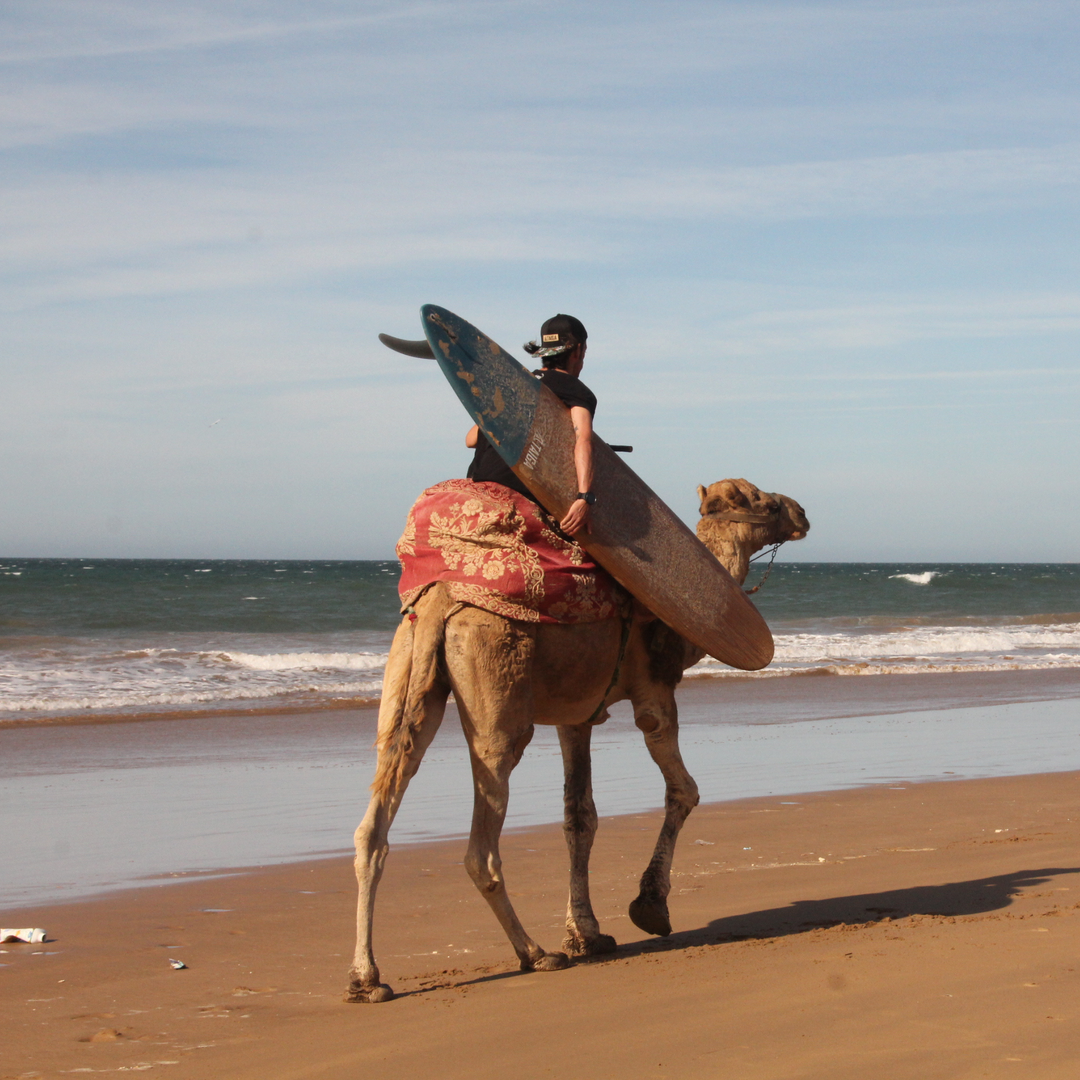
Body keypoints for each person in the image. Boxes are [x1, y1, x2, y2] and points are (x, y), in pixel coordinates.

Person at [465, 314, 596, 536]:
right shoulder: (576, 391)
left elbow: (471, 440)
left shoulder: (515, 383)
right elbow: (583, 439)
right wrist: (585, 498)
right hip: (519, 490)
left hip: (478, 484)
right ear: (579, 350)